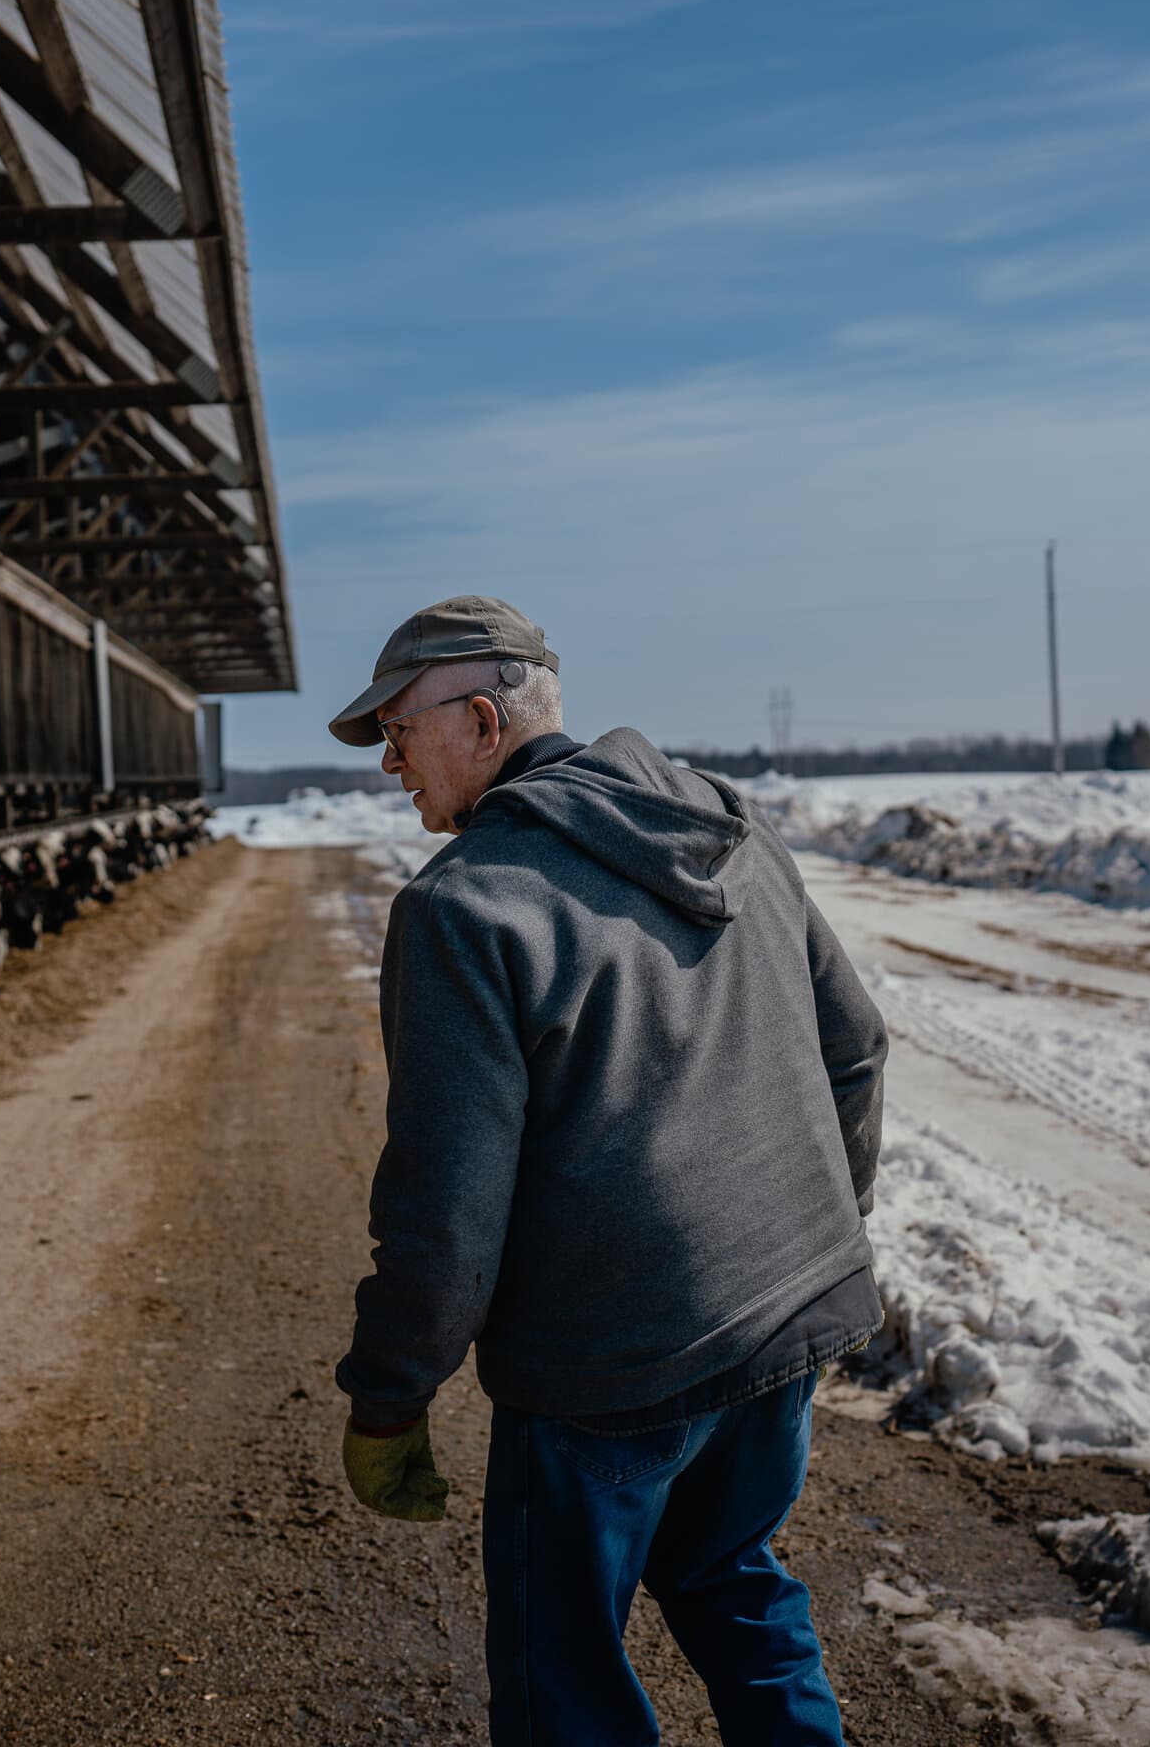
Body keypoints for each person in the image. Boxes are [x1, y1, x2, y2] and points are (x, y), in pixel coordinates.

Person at [329, 595, 888, 1745]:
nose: (389, 764)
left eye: (398, 733)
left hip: (609, 1373)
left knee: (564, 1680)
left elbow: (446, 1215)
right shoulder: (726, 821)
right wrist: (817, 1227)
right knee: (735, 1576)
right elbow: (857, 1048)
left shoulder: (464, 907)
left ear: (481, 720)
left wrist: (390, 1396)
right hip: (786, 1320)